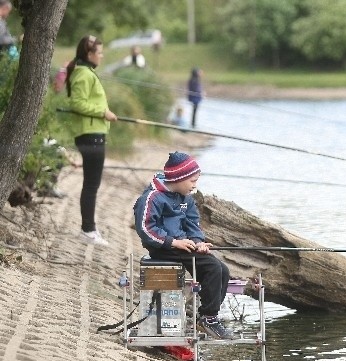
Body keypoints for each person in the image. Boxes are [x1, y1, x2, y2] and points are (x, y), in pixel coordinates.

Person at [133, 152, 234, 339]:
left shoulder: (186, 198)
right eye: (192, 181)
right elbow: (146, 228)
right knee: (212, 268)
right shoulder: (152, 198)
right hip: (163, 249)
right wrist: (173, 242)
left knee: (223, 270)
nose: (195, 185)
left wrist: (199, 243)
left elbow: (192, 225)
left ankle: (209, 316)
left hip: (183, 246)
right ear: (179, 178)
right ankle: (208, 318)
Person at [66, 35, 118, 246]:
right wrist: (102, 112)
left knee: (91, 184)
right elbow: (77, 104)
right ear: (89, 54)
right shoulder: (83, 74)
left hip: (93, 134)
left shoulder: (86, 72)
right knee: (91, 185)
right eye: (100, 52)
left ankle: (89, 228)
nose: (102, 56)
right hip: (90, 135)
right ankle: (88, 230)